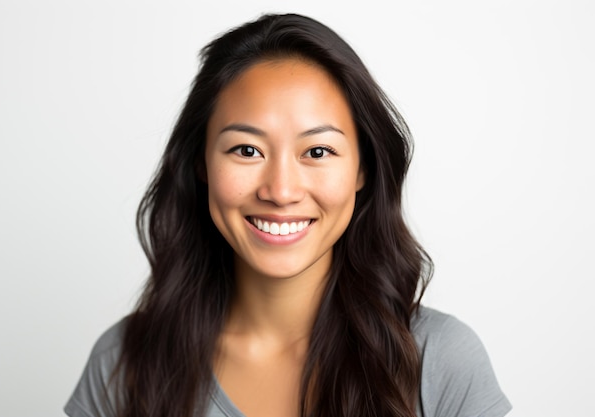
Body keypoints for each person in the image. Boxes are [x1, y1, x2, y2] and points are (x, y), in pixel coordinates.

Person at [65, 13, 511, 417]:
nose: (280, 191)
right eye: (246, 150)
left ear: (363, 169)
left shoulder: (441, 360)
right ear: (200, 163)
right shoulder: (122, 363)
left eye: (317, 151)